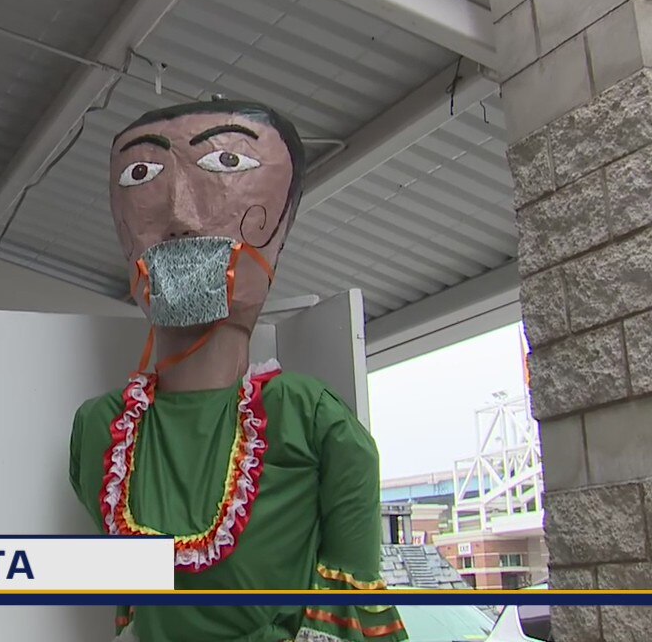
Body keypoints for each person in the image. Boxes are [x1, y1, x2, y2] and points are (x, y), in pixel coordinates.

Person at [68, 100, 408, 642]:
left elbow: (350, 600)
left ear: (283, 225)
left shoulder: (309, 419)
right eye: (141, 173)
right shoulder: (102, 432)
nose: (181, 216)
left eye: (228, 163)